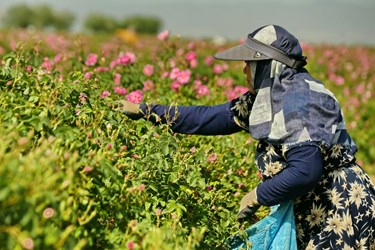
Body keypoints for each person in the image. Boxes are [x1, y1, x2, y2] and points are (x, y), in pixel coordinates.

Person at [117, 25, 375, 249]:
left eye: (249, 64)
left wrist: (256, 196)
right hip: (313, 202)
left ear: (268, 66)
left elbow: (305, 171)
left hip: (337, 206)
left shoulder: (300, 103)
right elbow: (207, 118)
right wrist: (146, 111)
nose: (243, 72)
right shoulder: (269, 96)